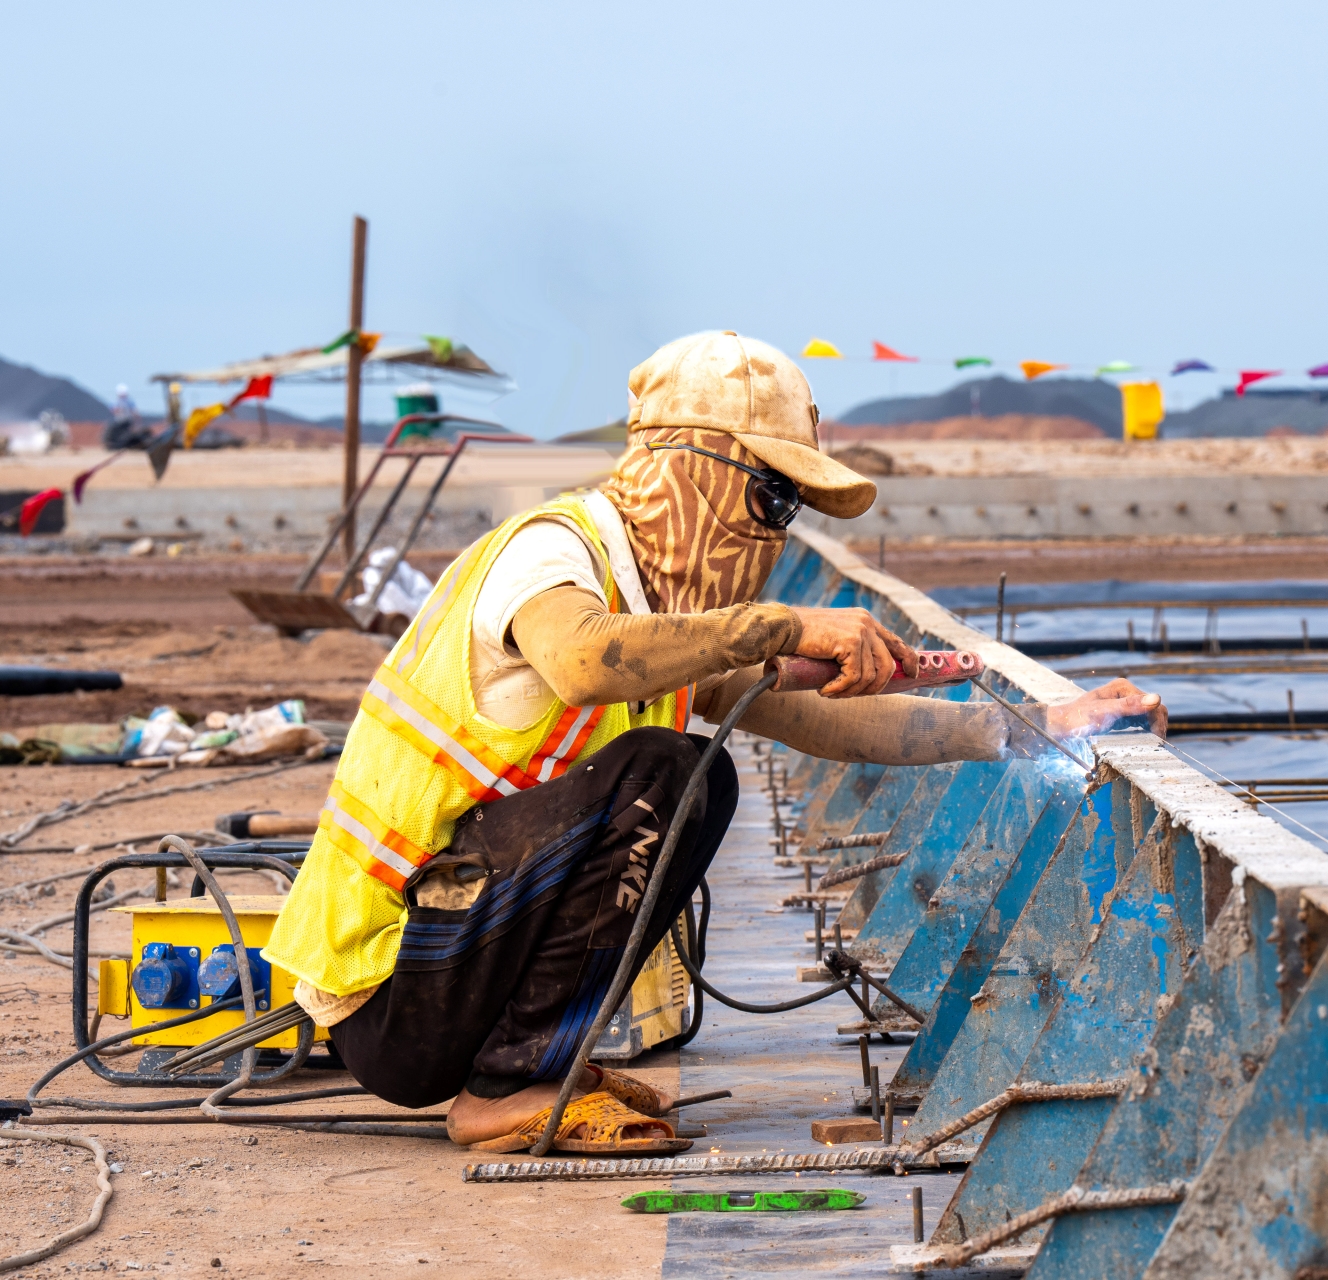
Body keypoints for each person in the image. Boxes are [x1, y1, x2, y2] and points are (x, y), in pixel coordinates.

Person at [262, 332, 1166, 1154]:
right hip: (390, 980)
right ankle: (505, 1089)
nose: (775, 529)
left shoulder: (663, 618)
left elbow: (826, 720)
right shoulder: (553, 553)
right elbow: (580, 659)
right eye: (768, 496)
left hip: (450, 961)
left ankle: (534, 1067)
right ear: (687, 467)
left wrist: (1033, 728)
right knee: (672, 773)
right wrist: (776, 627)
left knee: (696, 773)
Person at [103, 384, 151, 450]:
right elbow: (113, 410)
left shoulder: (129, 402)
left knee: (128, 434)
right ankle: (112, 444)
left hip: (127, 421)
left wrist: (137, 423)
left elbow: (135, 412)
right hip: (118, 421)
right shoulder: (116, 402)